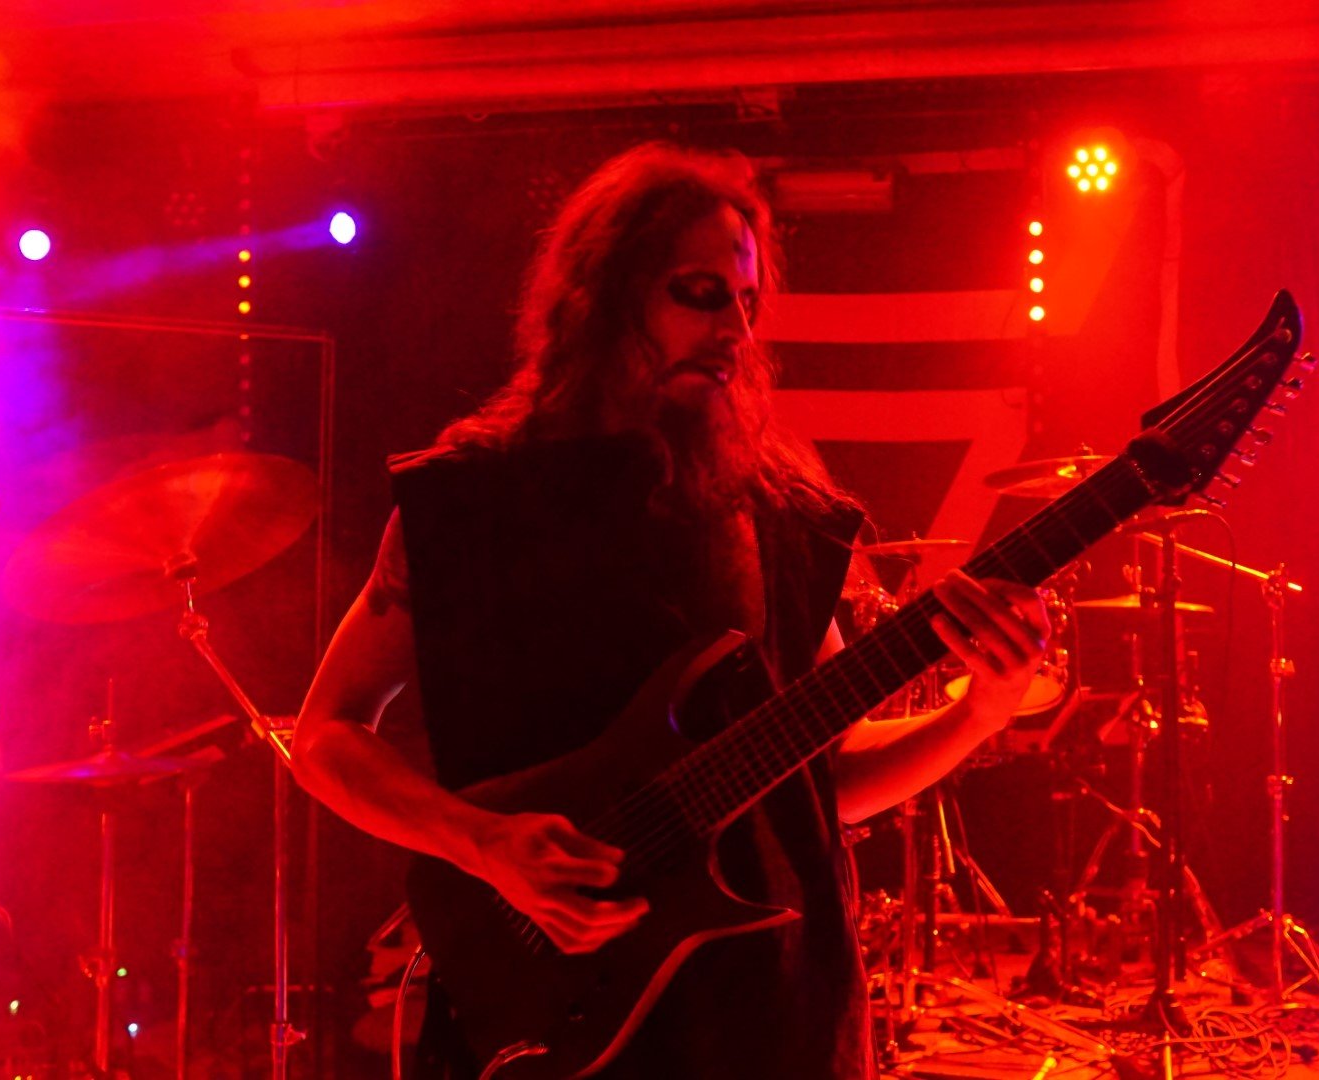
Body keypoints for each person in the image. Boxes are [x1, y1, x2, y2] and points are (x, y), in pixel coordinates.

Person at [292, 143, 1051, 1079]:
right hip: (547, 1015)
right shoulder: (469, 502)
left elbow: (825, 781)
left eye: (748, 303)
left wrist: (979, 712)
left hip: (774, 1015)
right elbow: (325, 736)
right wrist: (482, 842)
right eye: (700, 293)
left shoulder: (777, 510)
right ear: (605, 293)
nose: (734, 329)